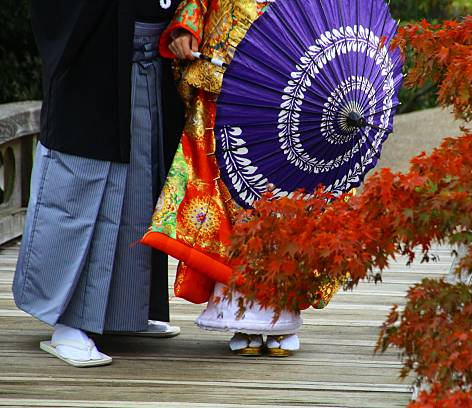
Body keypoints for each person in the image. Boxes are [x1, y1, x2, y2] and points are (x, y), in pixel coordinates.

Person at [12, 1, 185, 367]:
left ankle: (124, 313)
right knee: (83, 193)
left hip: (150, 63)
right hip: (94, 67)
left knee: (138, 191)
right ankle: (67, 323)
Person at [141, 0, 302, 357]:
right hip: (222, 65)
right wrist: (188, 26)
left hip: (285, 67)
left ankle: (281, 314)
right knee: (228, 186)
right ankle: (236, 310)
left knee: (276, 191)